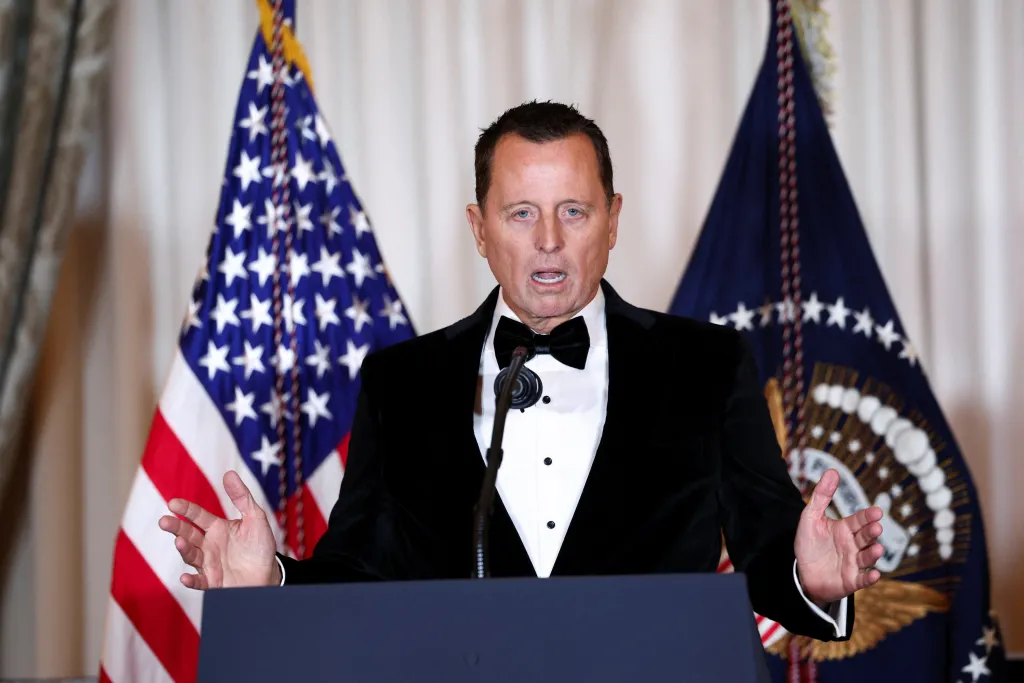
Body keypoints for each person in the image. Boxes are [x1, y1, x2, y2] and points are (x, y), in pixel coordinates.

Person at [159, 100, 883, 642]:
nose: (547, 241)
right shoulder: (401, 383)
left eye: (573, 210)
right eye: (520, 214)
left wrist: (811, 577)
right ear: (479, 228)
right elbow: (361, 575)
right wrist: (272, 578)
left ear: (613, 219)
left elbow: (765, 544)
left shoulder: (706, 366)